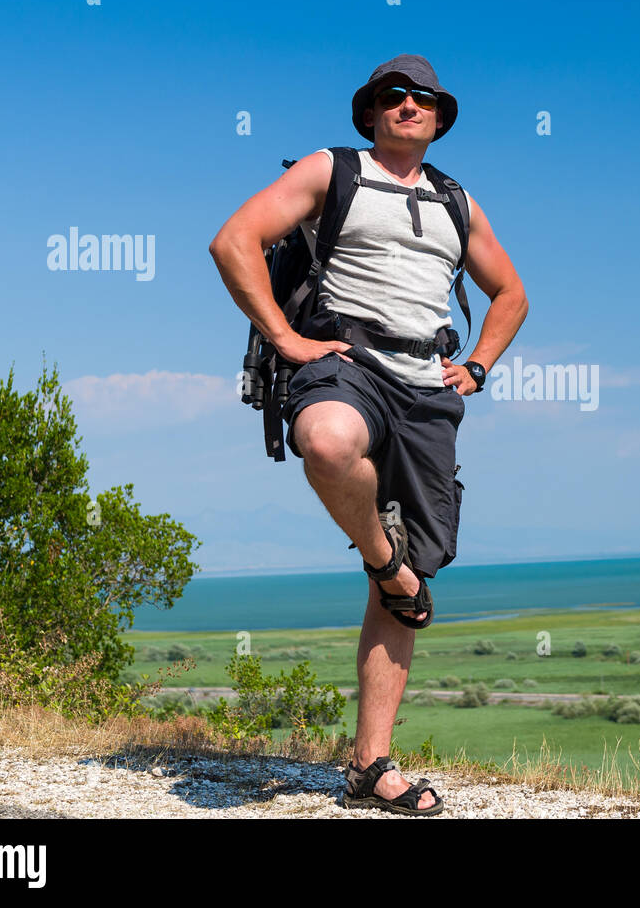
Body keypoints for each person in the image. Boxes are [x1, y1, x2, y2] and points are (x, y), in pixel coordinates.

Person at [209, 54, 528, 815]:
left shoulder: (457, 200)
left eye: (424, 98)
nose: (410, 104)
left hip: (429, 385)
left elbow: (511, 291)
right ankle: (384, 559)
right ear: (372, 111)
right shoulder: (334, 169)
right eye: (395, 95)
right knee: (326, 442)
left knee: (418, 576)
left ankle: (370, 768)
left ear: (440, 117)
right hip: (344, 359)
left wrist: (477, 365)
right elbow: (233, 240)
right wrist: (285, 337)